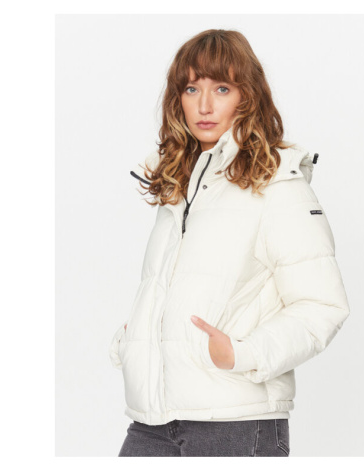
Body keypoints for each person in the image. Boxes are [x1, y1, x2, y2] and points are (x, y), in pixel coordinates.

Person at [109, 28, 350, 457]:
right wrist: (137, 338)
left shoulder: (278, 186)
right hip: (153, 422)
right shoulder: (179, 189)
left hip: (237, 425)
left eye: (221, 88)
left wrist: (243, 354)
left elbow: (322, 306)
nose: (204, 105)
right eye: (191, 88)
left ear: (247, 96)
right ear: (177, 99)